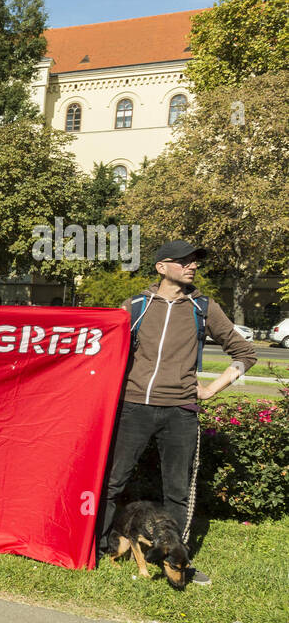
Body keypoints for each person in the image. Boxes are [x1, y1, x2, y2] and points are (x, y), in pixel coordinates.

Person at [98, 240, 257, 578]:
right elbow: (102, 347)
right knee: (113, 482)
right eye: (183, 260)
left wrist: (213, 388)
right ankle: (99, 546)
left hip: (180, 412)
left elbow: (245, 354)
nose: (192, 266)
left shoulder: (203, 308)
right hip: (134, 407)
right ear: (161, 267)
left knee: (177, 492)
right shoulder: (136, 306)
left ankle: (177, 557)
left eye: (195, 260)